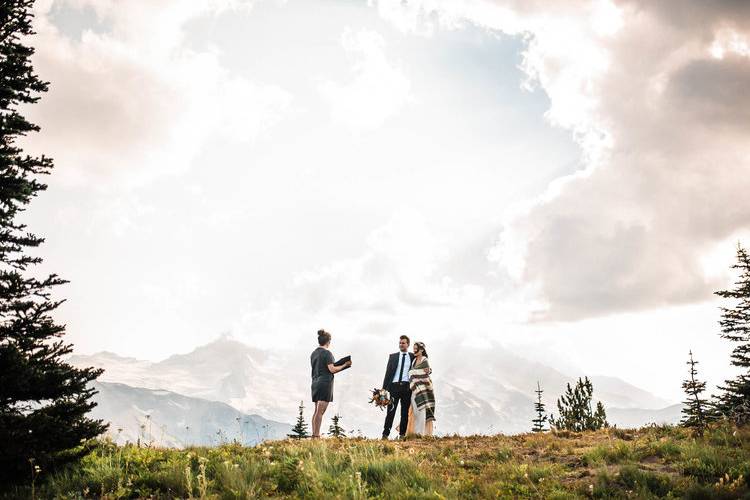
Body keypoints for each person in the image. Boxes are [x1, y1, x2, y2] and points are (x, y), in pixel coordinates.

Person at [310, 329, 351, 438]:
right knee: (320, 411)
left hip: (314, 383)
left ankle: (314, 435)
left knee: (316, 411)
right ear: (328, 342)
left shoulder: (313, 353)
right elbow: (332, 369)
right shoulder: (327, 353)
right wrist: (344, 365)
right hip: (325, 383)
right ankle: (317, 436)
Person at [381, 335, 414, 439]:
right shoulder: (393, 356)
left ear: (408, 344)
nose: (401, 344)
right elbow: (388, 373)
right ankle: (385, 434)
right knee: (390, 411)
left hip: (407, 388)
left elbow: (422, 362)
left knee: (404, 413)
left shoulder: (412, 356)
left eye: (403, 343)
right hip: (393, 388)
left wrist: (429, 370)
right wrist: (384, 389)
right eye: (400, 343)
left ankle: (402, 435)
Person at [408, 341, 435, 436]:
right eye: (414, 348)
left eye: (416, 349)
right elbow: (413, 372)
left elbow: (425, 374)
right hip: (415, 389)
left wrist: (413, 373)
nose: (414, 350)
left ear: (422, 350)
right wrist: (413, 374)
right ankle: (415, 433)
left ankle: (420, 433)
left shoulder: (424, 360)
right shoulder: (414, 360)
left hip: (424, 390)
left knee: (422, 410)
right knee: (415, 410)